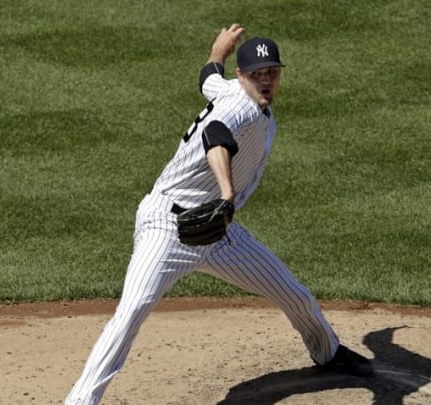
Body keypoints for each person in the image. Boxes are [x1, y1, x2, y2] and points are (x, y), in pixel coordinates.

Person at [65, 23, 373, 405]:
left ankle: (327, 351)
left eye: (272, 73)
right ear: (244, 77)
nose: (266, 81)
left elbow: (208, 78)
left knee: (294, 294)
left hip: (219, 232)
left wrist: (218, 53)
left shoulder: (229, 87)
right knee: (131, 314)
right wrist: (227, 194)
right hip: (169, 225)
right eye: (257, 75)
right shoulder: (239, 107)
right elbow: (216, 137)